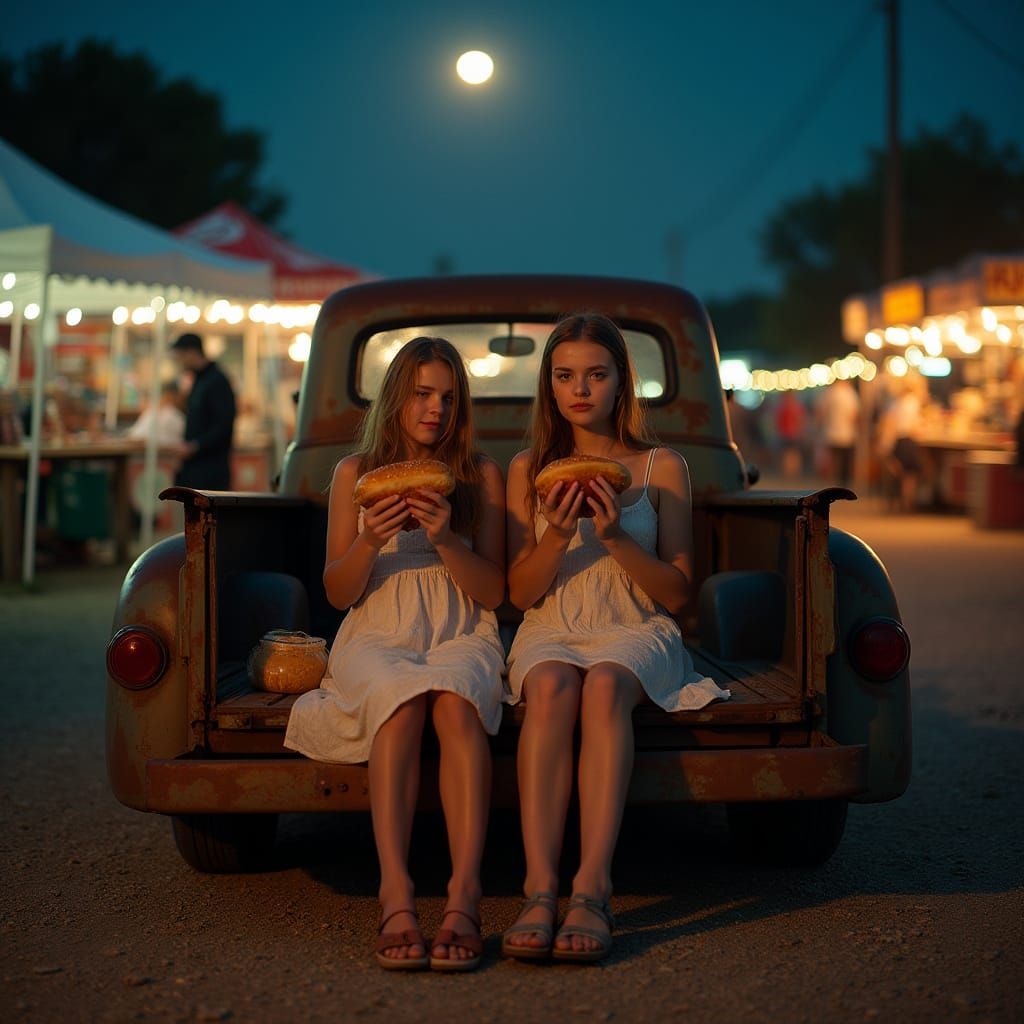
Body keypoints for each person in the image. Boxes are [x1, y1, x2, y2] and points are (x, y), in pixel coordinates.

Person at [501, 314, 729, 963]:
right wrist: (553, 534)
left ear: (621, 382)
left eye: (596, 375)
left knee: (602, 687)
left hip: (635, 626)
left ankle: (593, 888)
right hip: (553, 624)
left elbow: (680, 592)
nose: (580, 389)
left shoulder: (661, 465)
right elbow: (519, 595)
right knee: (547, 686)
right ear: (548, 385)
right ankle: (539, 886)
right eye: (565, 375)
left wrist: (615, 536)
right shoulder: (529, 467)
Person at [284, 337, 506, 973]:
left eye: (447, 397)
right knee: (400, 707)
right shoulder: (355, 474)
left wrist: (445, 540)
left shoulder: (479, 474)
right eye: (421, 394)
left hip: (461, 625)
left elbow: (496, 593)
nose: (435, 409)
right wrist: (370, 538)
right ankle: (397, 893)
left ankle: (465, 894)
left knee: (459, 707)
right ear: (396, 396)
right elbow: (336, 592)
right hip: (377, 628)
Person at [169, 332, 236, 490]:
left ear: (192, 352)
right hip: (196, 468)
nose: (179, 362)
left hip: (211, 470)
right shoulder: (200, 380)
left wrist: (195, 446)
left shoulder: (216, 381)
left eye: (180, 356)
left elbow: (224, 425)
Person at [815, 377, 860, 488]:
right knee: (845, 460)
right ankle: (843, 483)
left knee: (833, 459)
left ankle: (832, 482)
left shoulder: (828, 393)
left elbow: (821, 412)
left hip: (830, 432)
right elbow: (854, 414)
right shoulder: (850, 393)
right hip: (847, 433)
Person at [126, 381, 186, 447]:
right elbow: (134, 434)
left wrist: (147, 440)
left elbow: (177, 441)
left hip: (161, 454)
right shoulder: (150, 413)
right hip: (138, 450)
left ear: (170, 396)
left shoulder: (175, 416)